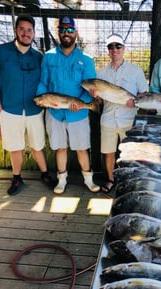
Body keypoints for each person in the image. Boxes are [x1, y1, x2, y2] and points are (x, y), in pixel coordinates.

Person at [0, 14, 55, 196]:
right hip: (9, 110)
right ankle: (17, 178)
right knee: (15, 147)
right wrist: (0, 111)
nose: (26, 33)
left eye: (29, 30)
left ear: (34, 33)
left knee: (38, 146)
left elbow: (47, 84)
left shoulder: (39, 58)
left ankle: (45, 174)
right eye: (22, 29)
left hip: (34, 110)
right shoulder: (0, 52)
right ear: (16, 30)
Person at [36, 16, 100, 194]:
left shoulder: (86, 60)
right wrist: (41, 99)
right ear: (59, 33)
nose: (66, 33)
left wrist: (82, 104)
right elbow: (43, 82)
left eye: (70, 30)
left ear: (76, 33)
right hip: (55, 112)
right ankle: (61, 180)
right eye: (63, 29)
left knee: (81, 148)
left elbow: (89, 88)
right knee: (60, 147)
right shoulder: (48, 57)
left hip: (77, 113)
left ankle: (89, 180)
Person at [94, 33, 148, 193]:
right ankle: (111, 179)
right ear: (108, 50)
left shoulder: (136, 71)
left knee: (130, 153)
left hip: (128, 120)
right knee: (109, 152)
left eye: (118, 46)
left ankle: (128, 182)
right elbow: (99, 102)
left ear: (124, 48)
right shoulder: (101, 74)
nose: (114, 50)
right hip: (108, 119)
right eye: (111, 47)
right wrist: (95, 97)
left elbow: (144, 95)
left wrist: (136, 102)